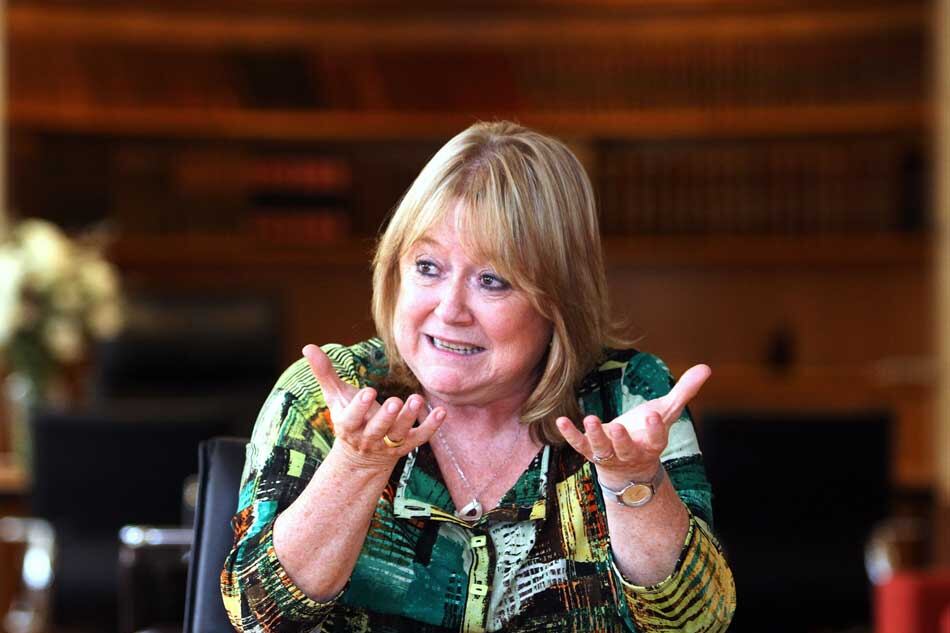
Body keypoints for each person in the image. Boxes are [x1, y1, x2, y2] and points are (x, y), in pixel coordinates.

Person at [222, 121, 736, 632]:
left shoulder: (625, 397)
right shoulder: (332, 393)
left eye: (492, 280)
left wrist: (634, 482)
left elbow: (699, 625)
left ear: (559, 300)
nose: (450, 310)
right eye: (428, 267)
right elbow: (258, 618)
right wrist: (356, 466)